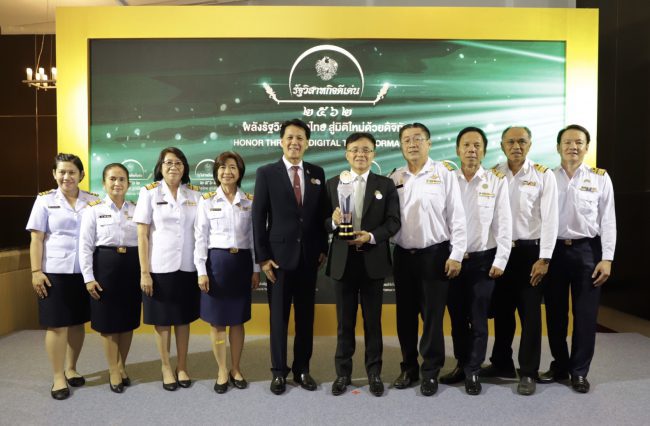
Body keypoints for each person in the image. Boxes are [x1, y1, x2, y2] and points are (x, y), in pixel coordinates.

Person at [252, 118, 328, 395]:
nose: (295, 142)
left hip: (309, 258)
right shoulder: (266, 173)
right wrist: (263, 258)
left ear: (307, 143)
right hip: (278, 260)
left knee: (306, 318)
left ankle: (302, 369)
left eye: (300, 138)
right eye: (290, 137)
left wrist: (323, 248)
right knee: (279, 319)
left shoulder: (317, 172)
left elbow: (322, 215)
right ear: (281, 141)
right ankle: (278, 372)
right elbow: (258, 217)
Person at [480, 126, 558, 396]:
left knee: (530, 316)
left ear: (530, 144)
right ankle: (501, 362)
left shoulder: (543, 175)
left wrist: (545, 258)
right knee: (502, 311)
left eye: (522, 141)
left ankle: (528, 371)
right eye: (510, 142)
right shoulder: (493, 174)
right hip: (500, 253)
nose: (516, 146)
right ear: (502, 145)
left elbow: (551, 220)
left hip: (530, 255)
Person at [390, 123, 467, 396]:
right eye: (407, 140)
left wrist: (456, 254)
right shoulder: (395, 177)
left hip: (435, 255)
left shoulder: (444, 174)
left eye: (418, 139)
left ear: (429, 143)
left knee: (432, 317)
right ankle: (409, 367)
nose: (412, 144)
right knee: (405, 316)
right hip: (403, 255)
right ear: (401, 145)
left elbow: (458, 217)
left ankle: (431, 371)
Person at [540, 124, 616, 393]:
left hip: (588, 252)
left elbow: (608, 220)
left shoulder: (600, 177)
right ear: (558, 147)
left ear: (586, 147)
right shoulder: (547, 177)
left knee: (584, 315)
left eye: (579, 142)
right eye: (568, 142)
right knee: (555, 314)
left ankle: (580, 372)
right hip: (554, 252)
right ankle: (560, 365)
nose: (573, 146)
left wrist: (607, 258)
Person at [325, 132, 400, 397]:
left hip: (372, 260)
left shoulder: (385, 185)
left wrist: (370, 236)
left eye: (366, 150)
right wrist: (333, 221)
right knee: (344, 323)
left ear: (374, 154)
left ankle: (374, 373)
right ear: (347, 154)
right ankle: (342, 374)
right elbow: (321, 222)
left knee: (373, 323)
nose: (360, 154)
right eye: (355, 149)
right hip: (343, 263)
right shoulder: (333, 183)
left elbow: (393, 222)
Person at [438, 127, 511, 395]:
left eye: (477, 145)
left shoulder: (495, 181)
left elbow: (504, 223)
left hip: (483, 261)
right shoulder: (447, 179)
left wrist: (501, 259)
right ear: (457, 150)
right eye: (466, 145)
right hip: (452, 261)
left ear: (484, 150)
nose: (472, 150)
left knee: (479, 319)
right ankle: (461, 363)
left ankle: (473, 370)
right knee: (457, 318)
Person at [26, 153, 100, 400]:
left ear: (81, 175)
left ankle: (71, 368)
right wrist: (36, 271)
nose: (67, 176)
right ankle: (58, 376)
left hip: (83, 272)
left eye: (72, 172)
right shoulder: (45, 200)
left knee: (77, 323)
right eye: (62, 172)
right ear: (54, 174)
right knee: (57, 325)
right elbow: (36, 239)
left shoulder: (93, 201)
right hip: (54, 272)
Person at [133, 147, 201, 391]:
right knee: (162, 320)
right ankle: (165, 367)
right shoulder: (149, 192)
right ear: (160, 167)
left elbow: (200, 232)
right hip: (159, 267)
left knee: (183, 319)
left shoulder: (195, 194)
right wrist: (144, 272)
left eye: (179, 163)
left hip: (187, 266)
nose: (174, 167)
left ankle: (182, 366)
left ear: (185, 168)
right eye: (168, 162)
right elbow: (142, 235)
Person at [194, 151, 260, 394]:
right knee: (218, 321)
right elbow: (200, 238)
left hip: (241, 264)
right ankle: (222, 370)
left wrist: (255, 269)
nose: (227, 172)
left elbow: (253, 239)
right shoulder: (207, 201)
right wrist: (201, 271)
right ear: (216, 172)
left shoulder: (249, 201)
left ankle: (236, 368)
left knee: (238, 320)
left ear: (240, 172)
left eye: (232, 167)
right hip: (216, 265)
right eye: (222, 167)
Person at [79, 163, 140, 394]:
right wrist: (88, 277)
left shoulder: (136, 209)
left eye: (122, 179)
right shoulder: (93, 210)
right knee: (108, 322)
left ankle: (122, 365)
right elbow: (85, 246)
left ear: (128, 183)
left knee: (128, 320)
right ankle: (113, 369)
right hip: (104, 267)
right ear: (104, 183)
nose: (117, 183)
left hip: (132, 267)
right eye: (112, 179)